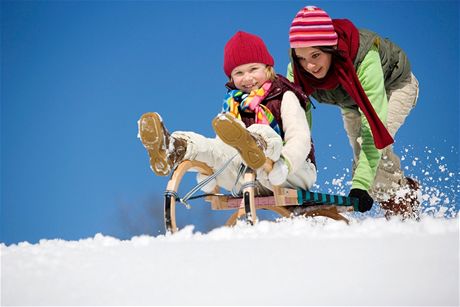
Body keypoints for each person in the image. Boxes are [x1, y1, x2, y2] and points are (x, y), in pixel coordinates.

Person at [138, 31, 317, 200]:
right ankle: (174, 148)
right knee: (213, 148)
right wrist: (209, 170)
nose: (247, 78)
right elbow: (222, 148)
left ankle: (257, 143)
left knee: (261, 131)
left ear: (268, 68)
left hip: (292, 172)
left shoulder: (284, 95)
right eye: (239, 73)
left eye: (253, 69)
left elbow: (300, 138)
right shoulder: (232, 104)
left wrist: (285, 164)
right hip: (249, 178)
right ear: (231, 78)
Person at [286, 6, 420, 219]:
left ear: (330, 48)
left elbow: (372, 131)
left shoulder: (364, 59)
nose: (309, 65)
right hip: (351, 101)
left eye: (315, 55)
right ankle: (401, 188)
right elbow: (297, 124)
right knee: (364, 159)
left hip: (394, 86)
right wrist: (293, 165)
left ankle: (403, 207)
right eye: (301, 58)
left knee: (372, 151)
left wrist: (359, 186)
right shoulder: (297, 72)